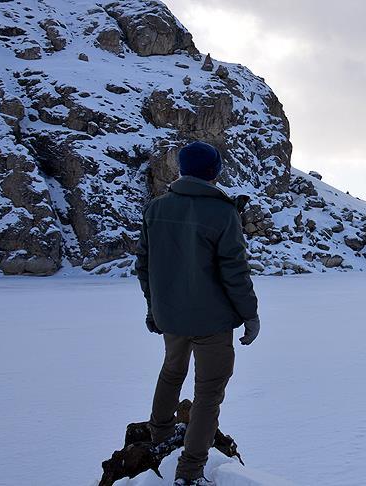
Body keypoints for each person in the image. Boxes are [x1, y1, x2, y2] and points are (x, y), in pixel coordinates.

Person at [135, 141, 260, 486]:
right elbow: (235, 272)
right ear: (214, 172)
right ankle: (189, 472)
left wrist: (153, 309)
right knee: (208, 393)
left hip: (171, 316)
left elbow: (144, 266)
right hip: (212, 322)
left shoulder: (156, 208)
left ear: (182, 170)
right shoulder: (223, 213)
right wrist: (250, 316)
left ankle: (160, 438)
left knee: (171, 372)